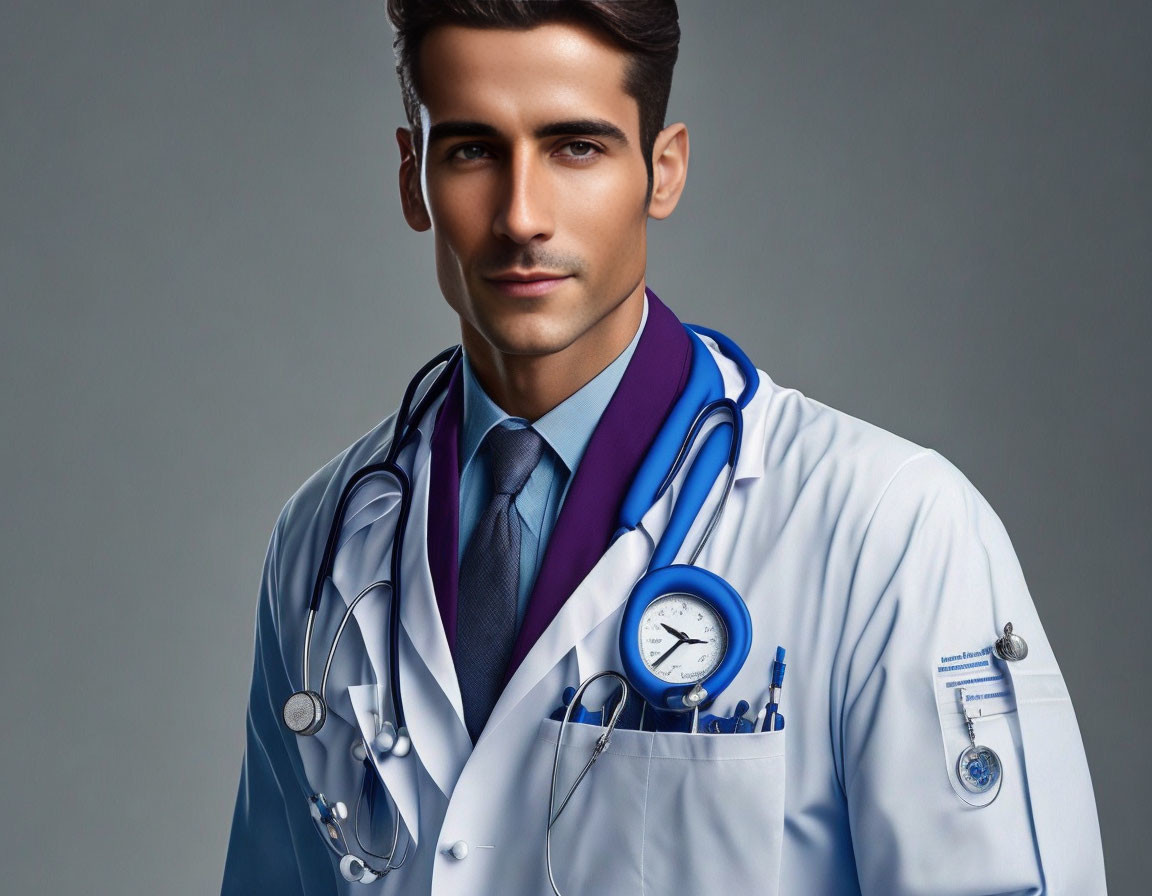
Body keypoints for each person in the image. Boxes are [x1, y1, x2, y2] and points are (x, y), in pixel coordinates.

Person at [222, 2, 1106, 893]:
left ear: (663, 170)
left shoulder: (890, 531)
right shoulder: (324, 540)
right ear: (413, 177)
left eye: (577, 147)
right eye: (473, 150)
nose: (522, 215)